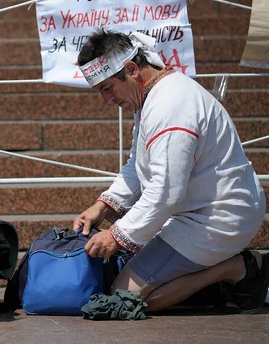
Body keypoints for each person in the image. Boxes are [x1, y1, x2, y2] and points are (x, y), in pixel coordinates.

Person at [73, 29, 268, 313]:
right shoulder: (154, 96)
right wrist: (101, 207)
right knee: (128, 285)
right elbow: (137, 167)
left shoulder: (169, 104)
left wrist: (117, 235)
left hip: (218, 218)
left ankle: (237, 268)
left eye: (107, 88)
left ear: (131, 70)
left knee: (125, 298)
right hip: (196, 213)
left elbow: (166, 191)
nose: (105, 100)